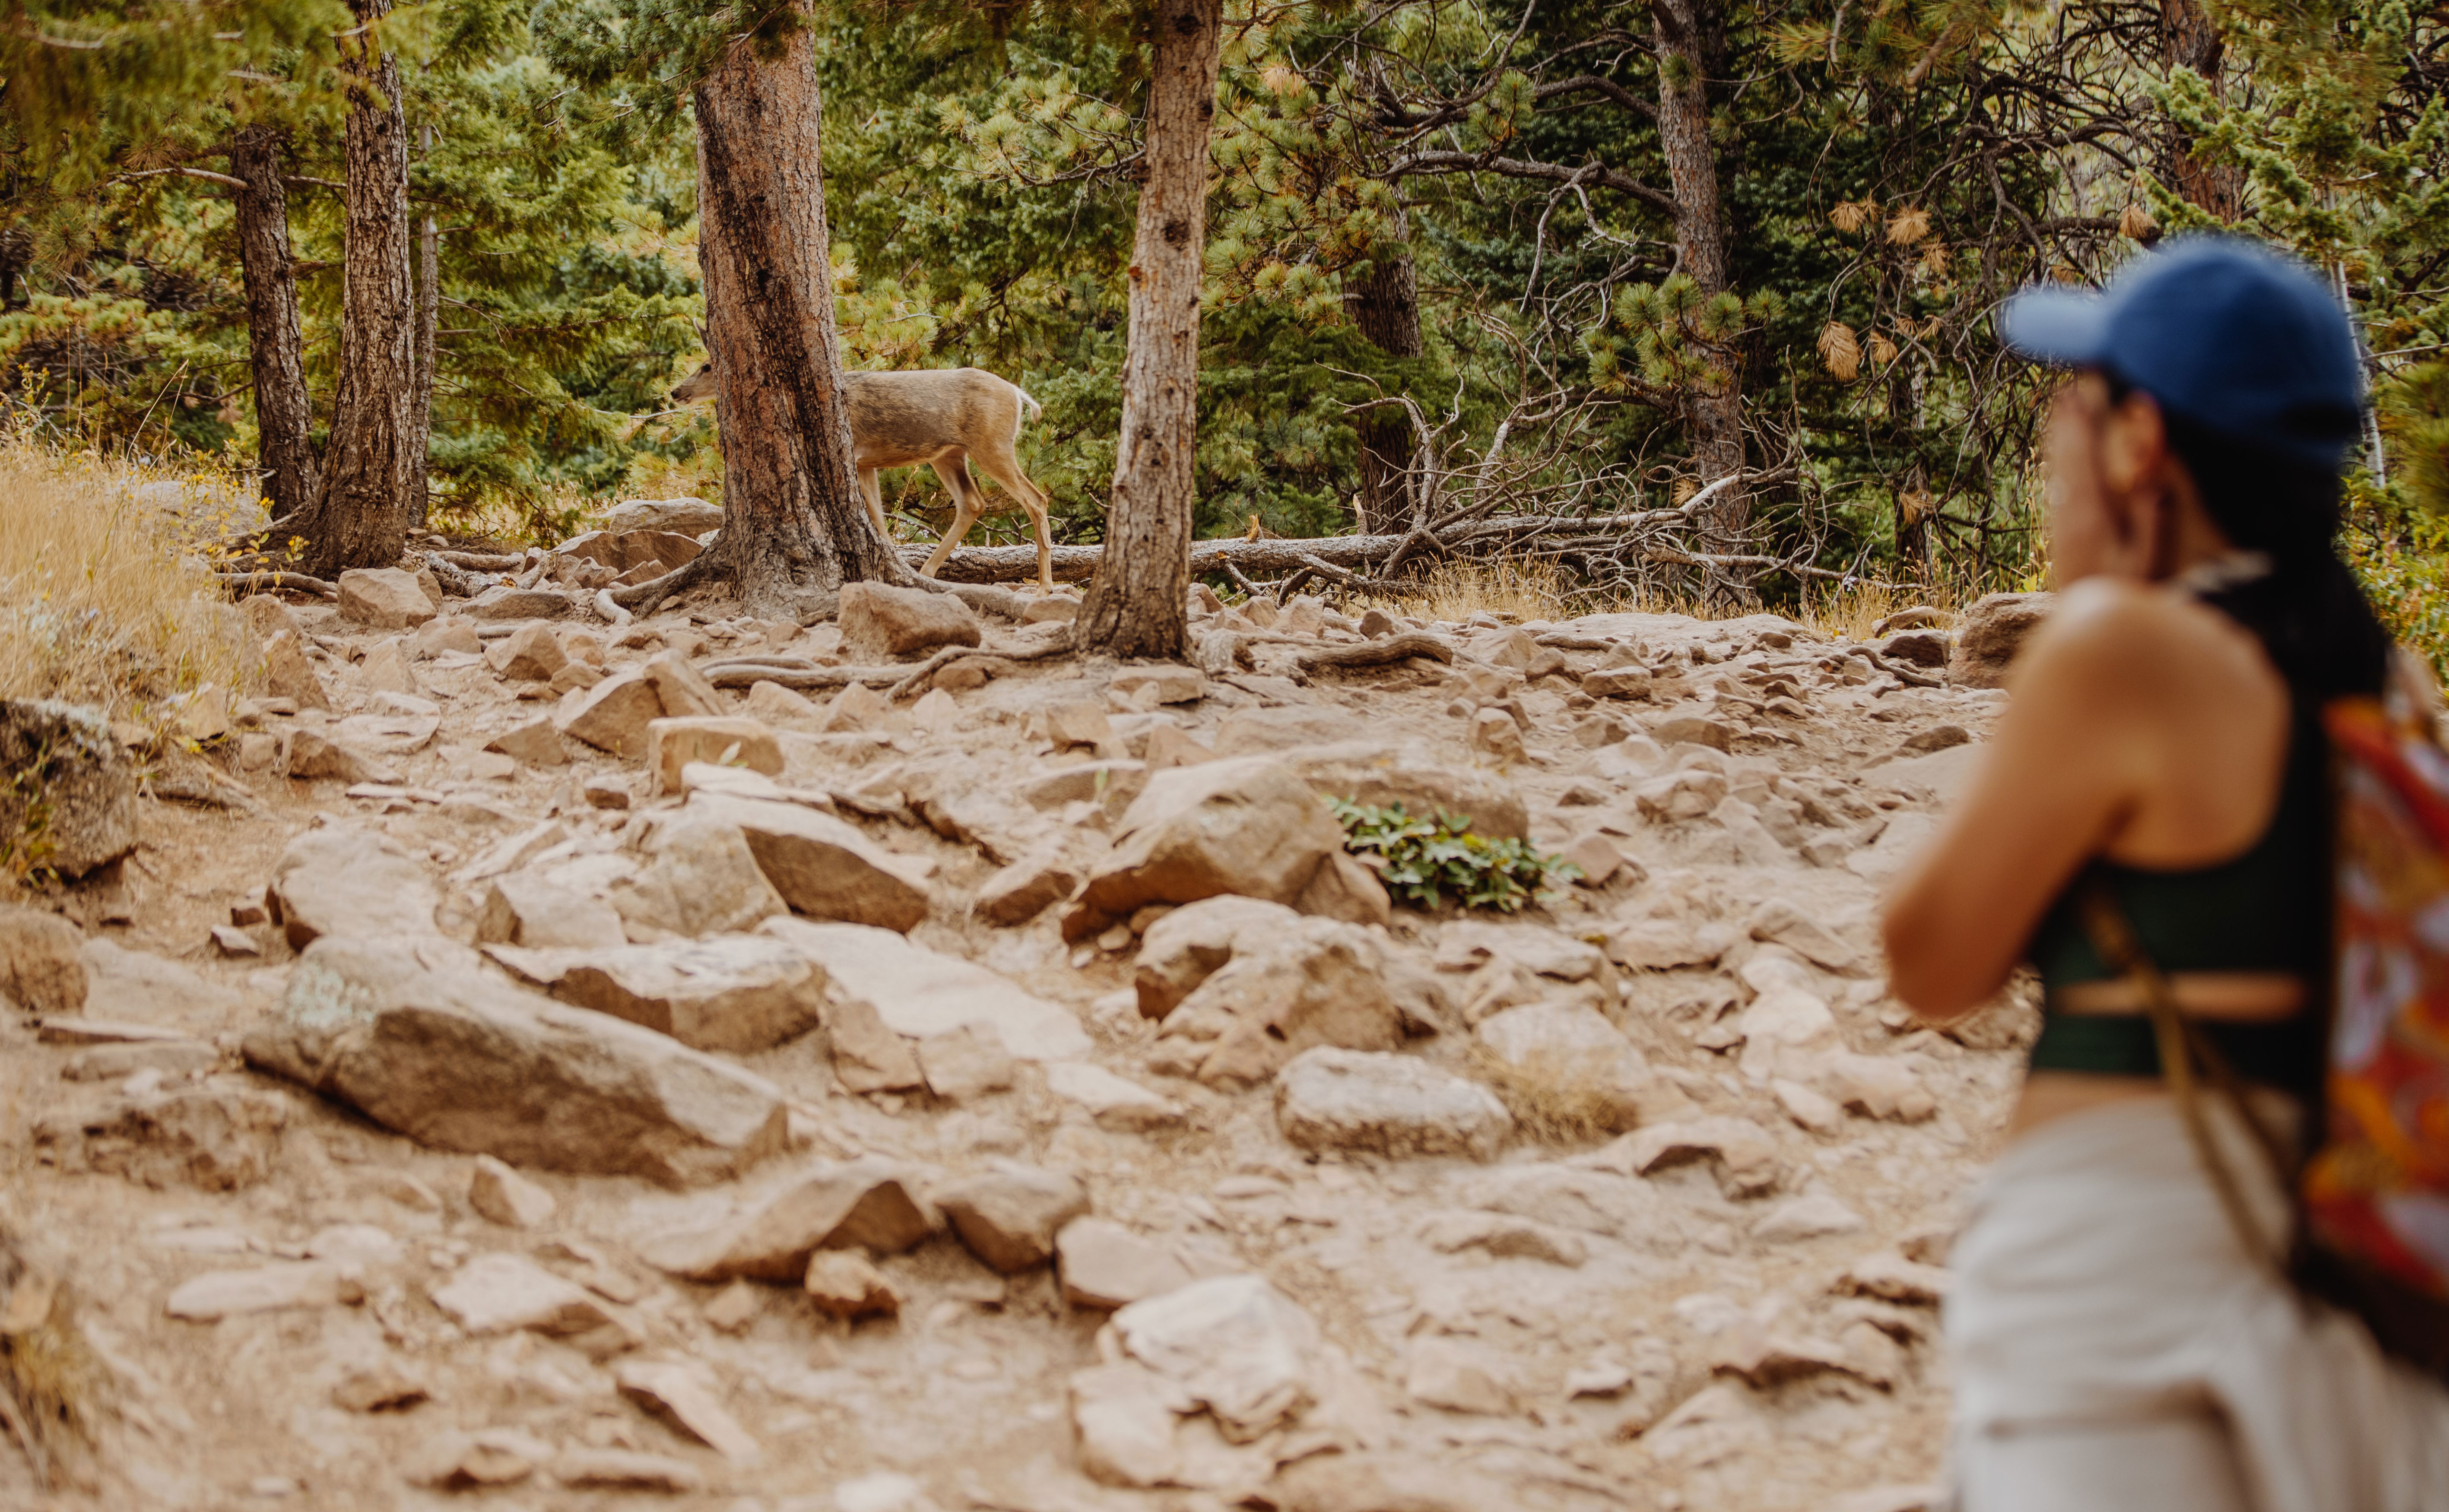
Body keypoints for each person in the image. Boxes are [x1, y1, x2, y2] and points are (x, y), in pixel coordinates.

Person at [1882, 236, 2449, 1511]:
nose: (2056, 449)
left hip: (2125, 1271)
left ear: (2144, 445)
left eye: (2077, 409)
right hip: (2347, 1280)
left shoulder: (2122, 653)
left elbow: (1930, 962)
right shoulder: (2385, 686)